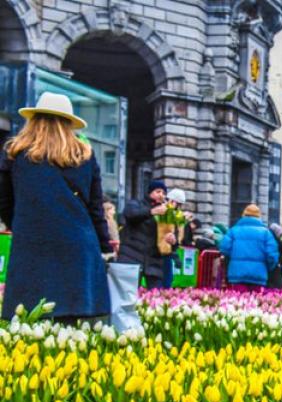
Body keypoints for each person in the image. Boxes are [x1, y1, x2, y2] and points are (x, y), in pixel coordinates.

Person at [0, 92, 112, 322]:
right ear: (68, 124)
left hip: (32, 243)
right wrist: (104, 244)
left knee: (29, 320)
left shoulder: (15, 154)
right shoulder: (84, 156)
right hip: (77, 245)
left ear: (34, 120)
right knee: (70, 323)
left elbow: (4, 200)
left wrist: (22, 223)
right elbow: (95, 208)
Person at [118, 179, 169, 289]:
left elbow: (170, 238)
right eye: (158, 191)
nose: (161, 195)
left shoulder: (166, 213)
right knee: (128, 296)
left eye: (164, 193)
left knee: (156, 298)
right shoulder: (135, 203)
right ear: (150, 192)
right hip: (132, 257)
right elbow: (130, 214)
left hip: (154, 262)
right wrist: (152, 211)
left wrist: (173, 241)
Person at [218, 204, 279, 291]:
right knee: (256, 303)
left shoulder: (233, 231)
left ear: (244, 215)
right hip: (259, 275)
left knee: (238, 302)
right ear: (259, 216)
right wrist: (267, 268)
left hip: (237, 274)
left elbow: (224, 249)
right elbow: (272, 256)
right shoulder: (266, 233)